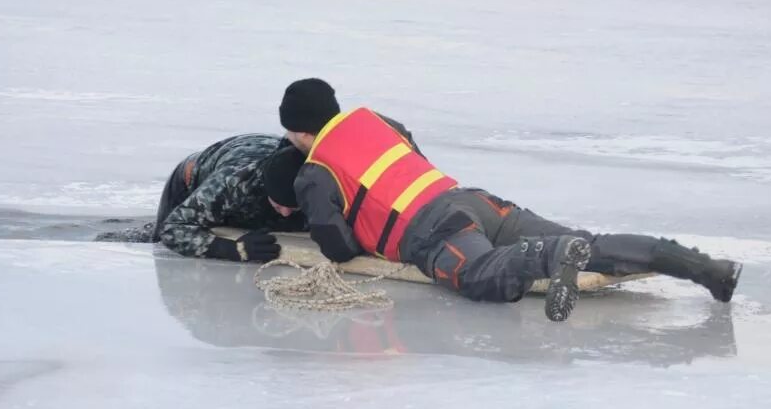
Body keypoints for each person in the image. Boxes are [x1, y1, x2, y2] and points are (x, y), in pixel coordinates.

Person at [272, 78, 743, 322]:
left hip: (433, 232)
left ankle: (551, 257)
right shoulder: (375, 119)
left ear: (298, 131)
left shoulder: (315, 172)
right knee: (590, 243)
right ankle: (709, 270)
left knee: (481, 278)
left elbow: (336, 245)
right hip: (470, 200)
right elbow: (410, 151)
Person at [98, 133, 307, 262]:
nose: (287, 213)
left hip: (268, 158)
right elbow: (173, 229)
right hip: (190, 177)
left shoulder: (322, 186)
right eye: (280, 205)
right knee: (161, 243)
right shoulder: (232, 183)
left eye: (294, 206)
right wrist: (233, 249)